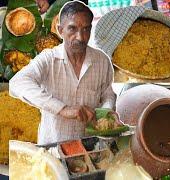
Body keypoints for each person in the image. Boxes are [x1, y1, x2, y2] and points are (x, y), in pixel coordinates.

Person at [9, 0, 116, 145]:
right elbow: (17, 83)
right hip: (53, 146)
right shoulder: (49, 58)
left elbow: (108, 94)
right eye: (72, 29)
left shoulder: (102, 60)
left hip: (90, 146)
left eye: (86, 29)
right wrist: (63, 109)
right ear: (60, 30)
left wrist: (106, 113)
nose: (80, 37)